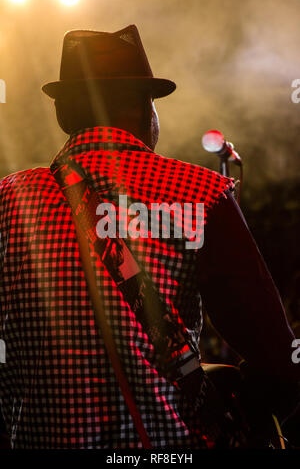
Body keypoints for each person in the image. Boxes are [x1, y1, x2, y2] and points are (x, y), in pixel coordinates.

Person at [0, 25, 299, 449]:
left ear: (63, 114)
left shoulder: (7, 200)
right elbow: (282, 365)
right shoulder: (200, 193)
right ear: (146, 109)